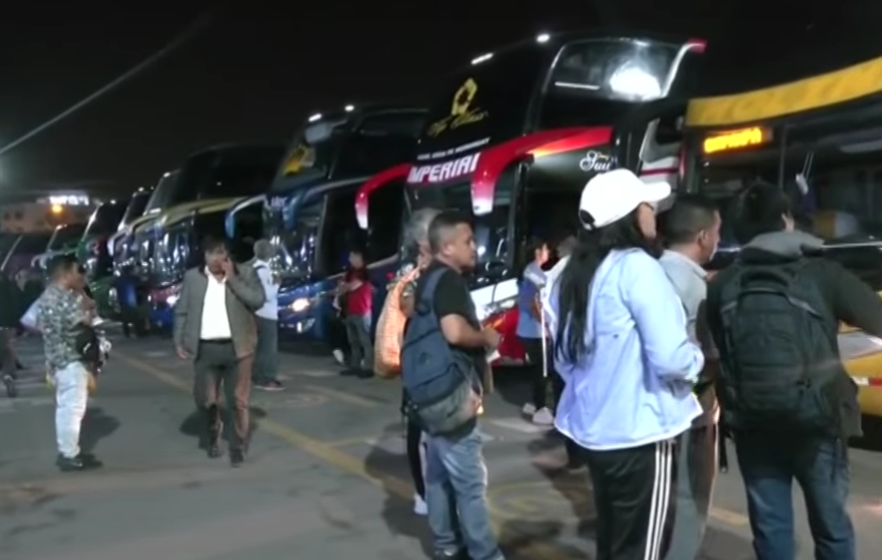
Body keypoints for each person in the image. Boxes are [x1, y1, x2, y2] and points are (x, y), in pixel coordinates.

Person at [704, 183, 882, 560]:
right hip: (818, 421)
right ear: (786, 219)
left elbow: (717, 347)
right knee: (831, 527)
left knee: (771, 527)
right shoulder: (822, 273)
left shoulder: (723, 285)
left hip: (752, 420)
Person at [545, 169, 704, 560]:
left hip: (594, 433)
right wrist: (698, 360)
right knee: (641, 547)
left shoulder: (569, 274)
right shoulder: (637, 267)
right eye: (647, 206)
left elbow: (563, 359)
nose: (654, 213)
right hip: (640, 435)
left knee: (614, 538)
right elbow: (671, 357)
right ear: (629, 216)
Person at [404, 210, 504, 560]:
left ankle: (447, 545)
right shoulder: (448, 280)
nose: (474, 247)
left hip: (428, 394)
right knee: (470, 483)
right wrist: (485, 337)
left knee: (438, 474)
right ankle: (485, 554)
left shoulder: (428, 278)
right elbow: (454, 332)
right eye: (467, 241)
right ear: (446, 247)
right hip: (451, 395)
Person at [657, 195, 722, 560]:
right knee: (689, 496)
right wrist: (701, 396)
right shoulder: (701, 288)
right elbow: (707, 358)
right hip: (689, 407)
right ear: (702, 236)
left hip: (648, 407)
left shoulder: (647, 274)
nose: (717, 240)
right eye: (717, 232)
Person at [173, 237, 265, 467]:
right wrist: (179, 340)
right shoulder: (193, 278)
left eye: (220, 253)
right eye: (211, 253)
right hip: (205, 349)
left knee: (238, 401)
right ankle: (213, 432)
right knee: (206, 400)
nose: (216, 259)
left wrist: (233, 279)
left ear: (227, 255)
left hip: (239, 349)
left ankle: (238, 446)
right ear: (204, 255)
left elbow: (258, 300)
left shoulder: (245, 273)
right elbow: (182, 310)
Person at [38, 255, 102, 471]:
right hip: (69, 360)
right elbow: (83, 324)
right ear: (65, 272)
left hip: (59, 360)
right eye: (77, 271)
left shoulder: (50, 296)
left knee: (68, 407)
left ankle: (70, 450)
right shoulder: (62, 298)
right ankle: (68, 454)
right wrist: (88, 308)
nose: (80, 275)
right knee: (71, 409)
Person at [396, 207, 440, 516]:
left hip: (447, 360)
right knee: (418, 430)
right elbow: (408, 307)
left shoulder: (448, 267)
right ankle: (423, 493)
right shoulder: (411, 272)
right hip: (420, 359)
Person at [516, 237, 554, 425]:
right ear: (538, 252)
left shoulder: (532, 270)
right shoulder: (533, 273)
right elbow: (533, 303)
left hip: (529, 330)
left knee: (538, 369)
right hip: (535, 331)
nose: (549, 253)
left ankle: (535, 403)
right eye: (546, 249)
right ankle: (541, 408)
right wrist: (546, 322)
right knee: (543, 370)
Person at [251, 239, 283, 391]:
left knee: (260, 348)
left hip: (257, 312)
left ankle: (257, 375)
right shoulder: (263, 270)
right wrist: (276, 284)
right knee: (268, 349)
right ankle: (266, 378)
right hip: (266, 314)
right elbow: (267, 294)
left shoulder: (254, 267)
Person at [338, 248, 374, 378]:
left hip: (362, 311)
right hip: (350, 311)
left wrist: (344, 286)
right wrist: (343, 287)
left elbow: (351, 286)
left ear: (359, 258)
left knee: (365, 341)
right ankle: (355, 366)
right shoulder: (350, 273)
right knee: (354, 342)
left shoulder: (364, 273)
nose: (350, 260)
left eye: (352, 257)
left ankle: (368, 368)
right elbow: (343, 287)